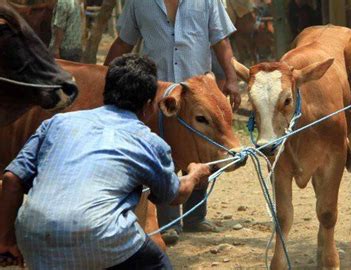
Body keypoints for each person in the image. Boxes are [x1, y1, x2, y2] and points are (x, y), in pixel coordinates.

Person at [0, 54, 211, 269]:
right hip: (101, 235)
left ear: (106, 92)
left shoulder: (57, 122)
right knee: (158, 263)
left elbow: (11, 178)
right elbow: (174, 195)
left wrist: (6, 240)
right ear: (149, 105)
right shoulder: (149, 142)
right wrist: (194, 175)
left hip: (32, 235)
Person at [104, 0, 240, 245]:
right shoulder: (138, 3)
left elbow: (221, 40)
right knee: (159, 152)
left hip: (197, 92)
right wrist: (102, 77)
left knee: (201, 151)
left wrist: (231, 78)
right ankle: (167, 223)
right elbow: (124, 42)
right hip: (157, 94)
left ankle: (196, 217)